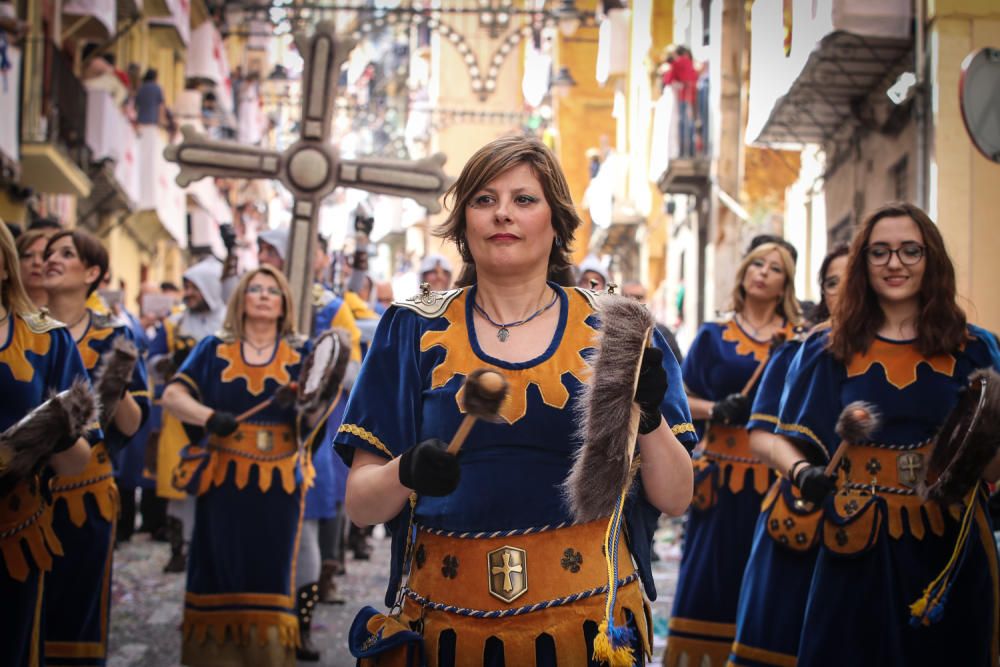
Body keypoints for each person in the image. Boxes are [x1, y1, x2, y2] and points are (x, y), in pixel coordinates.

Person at [335, 135, 696, 665]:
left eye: (524, 199)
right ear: (463, 224)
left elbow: (677, 497)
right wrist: (406, 470)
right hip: (445, 627)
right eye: (484, 200)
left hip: (587, 627)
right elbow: (362, 507)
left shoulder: (618, 327)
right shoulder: (410, 328)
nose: (503, 213)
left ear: (556, 223)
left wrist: (648, 420)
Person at [772, 203, 1000, 666]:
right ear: (863, 263)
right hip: (857, 543)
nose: (895, 264)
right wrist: (802, 473)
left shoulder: (978, 347)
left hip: (950, 547)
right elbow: (780, 440)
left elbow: (993, 463)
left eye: (910, 251)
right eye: (880, 252)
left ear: (931, 258)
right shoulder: (827, 346)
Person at [161, 266, 331, 667]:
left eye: (273, 290)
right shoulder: (212, 349)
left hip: (279, 486)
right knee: (218, 568)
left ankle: (268, 658)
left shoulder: (304, 353)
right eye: (254, 288)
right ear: (241, 299)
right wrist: (207, 417)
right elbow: (172, 395)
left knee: (270, 573)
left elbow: (315, 419)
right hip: (222, 482)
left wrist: (316, 401)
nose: (263, 295)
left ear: (285, 302)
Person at [665, 239, 802, 667]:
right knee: (711, 578)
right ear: (743, 273)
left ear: (785, 284)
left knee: (768, 581)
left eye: (774, 268)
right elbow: (680, 399)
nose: (762, 271)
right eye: (756, 263)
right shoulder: (712, 334)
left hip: (775, 478)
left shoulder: (798, 340)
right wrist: (716, 409)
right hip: (720, 479)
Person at [728, 243, 849, 666]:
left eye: (854, 279)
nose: (845, 291)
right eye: (832, 283)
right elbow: (760, 435)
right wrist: (802, 471)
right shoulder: (797, 349)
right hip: (801, 524)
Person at [41, 229, 150, 664]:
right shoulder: (22, 328)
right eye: (48, 253)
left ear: (91, 273)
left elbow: (133, 420)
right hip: (21, 495)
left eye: (65, 254)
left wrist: (110, 381)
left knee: (77, 617)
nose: (51, 259)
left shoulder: (112, 335)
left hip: (83, 497)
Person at [0, 221, 92, 667]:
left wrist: (48, 433)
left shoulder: (46, 338)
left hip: (13, 532)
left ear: (5, 263)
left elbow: (79, 459)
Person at [148, 258, 228, 573]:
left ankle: (210, 544)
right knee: (179, 483)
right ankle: (178, 549)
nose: (189, 293)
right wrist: (170, 362)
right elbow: (152, 361)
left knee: (217, 481)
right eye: (188, 286)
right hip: (180, 415)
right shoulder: (175, 324)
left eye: (195, 286)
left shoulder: (227, 324)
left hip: (218, 414)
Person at [621, 280, 683, 364]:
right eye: (629, 297)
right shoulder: (610, 332)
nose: (634, 301)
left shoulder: (662, 333)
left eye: (639, 297)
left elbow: (677, 366)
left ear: (645, 299)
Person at [16, 228, 50, 308]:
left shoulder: (68, 311)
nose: (37, 262)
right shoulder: (4, 311)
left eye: (44, 256)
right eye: (27, 256)